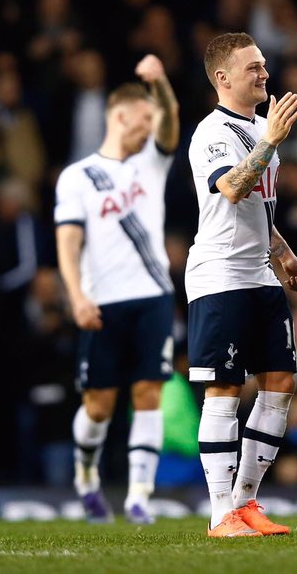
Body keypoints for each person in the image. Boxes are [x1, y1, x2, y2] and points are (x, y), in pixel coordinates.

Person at [186, 32, 297, 538]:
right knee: (225, 388)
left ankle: (246, 502)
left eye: (264, 65)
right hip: (220, 274)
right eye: (253, 68)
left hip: (259, 272)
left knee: (281, 382)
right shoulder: (212, 132)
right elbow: (233, 188)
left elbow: (261, 207)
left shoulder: (262, 131)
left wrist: (283, 253)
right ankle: (221, 514)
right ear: (223, 78)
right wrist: (271, 142)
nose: (264, 74)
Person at [54, 54, 180, 524]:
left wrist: (160, 83)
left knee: (148, 392)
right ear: (121, 115)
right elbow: (68, 241)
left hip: (152, 295)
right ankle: (86, 478)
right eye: (144, 118)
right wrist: (76, 295)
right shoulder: (78, 176)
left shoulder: (151, 163)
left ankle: (138, 498)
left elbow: (170, 120)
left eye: (153, 119)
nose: (151, 127)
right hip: (101, 300)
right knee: (99, 404)